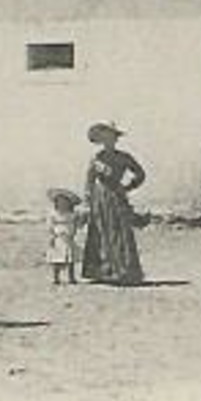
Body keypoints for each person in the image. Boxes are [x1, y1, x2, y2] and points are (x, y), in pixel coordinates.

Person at [80, 122, 146, 286]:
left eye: (111, 137)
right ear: (101, 140)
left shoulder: (124, 157)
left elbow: (140, 174)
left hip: (117, 195)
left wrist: (128, 187)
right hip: (100, 197)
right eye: (105, 137)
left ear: (116, 139)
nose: (108, 140)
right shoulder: (97, 158)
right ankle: (102, 271)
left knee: (120, 231)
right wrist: (88, 201)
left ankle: (124, 271)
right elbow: (89, 181)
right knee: (101, 230)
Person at [45, 187, 84, 287]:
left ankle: (71, 277)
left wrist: (82, 220)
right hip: (58, 238)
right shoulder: (54, 214)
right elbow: (50, 226)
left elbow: (78, 225)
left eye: (65, 202)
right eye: (59, 202)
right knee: (56, 259)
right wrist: (52, 236)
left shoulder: (72, 214)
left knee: (70, 259)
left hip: (69, 239)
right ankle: (56, 277)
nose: (62, 204)